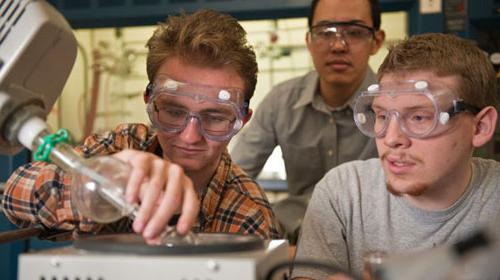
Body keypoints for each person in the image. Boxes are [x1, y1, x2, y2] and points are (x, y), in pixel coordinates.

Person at [1, 9, 280, 244]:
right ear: (149, 101)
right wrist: (100, 184)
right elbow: (13, 195)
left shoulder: (249, 213)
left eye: (215, 117)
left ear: (241, 120)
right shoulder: (125, 145)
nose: (190, 135)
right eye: (173, 111)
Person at [292, 33, 500, 280]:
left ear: (480, 127)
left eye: (419, 117)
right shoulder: (344, 192)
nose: (391, 138)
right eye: (381, 116)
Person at [231, 0, 385, 241]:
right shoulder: (281, 102)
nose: (338, 45)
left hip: (372, 243)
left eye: (354, 32)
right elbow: (233, 179)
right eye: (325, 32)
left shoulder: (393, 107)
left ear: (376, 41)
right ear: (309, 40)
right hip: (294, 237)